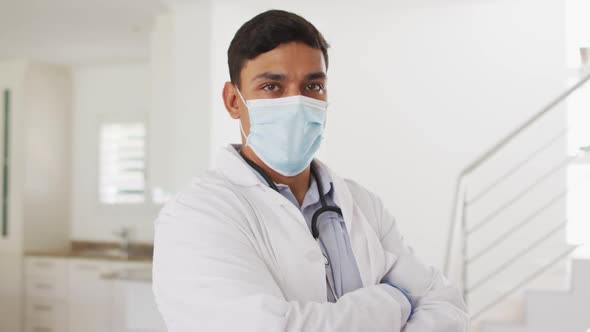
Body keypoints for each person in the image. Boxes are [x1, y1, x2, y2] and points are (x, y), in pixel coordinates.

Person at [152, 9, 469, 332]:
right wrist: (396, 300)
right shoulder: (196, 215)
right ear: (234, 101)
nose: (297, 102)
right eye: (272, 87)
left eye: (312, 87)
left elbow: (444, 305)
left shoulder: (361, 203)